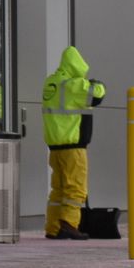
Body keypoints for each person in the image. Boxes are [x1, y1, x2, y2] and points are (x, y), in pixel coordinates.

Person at [41, 45, 105, 240]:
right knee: (76, 188)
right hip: (73, 147)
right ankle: (69, 224)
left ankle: (53, 228)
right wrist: (95, 82)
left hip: (55, 147)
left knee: (58, 189)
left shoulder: (51, 83)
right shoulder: (73, 85)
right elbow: (98, 94)